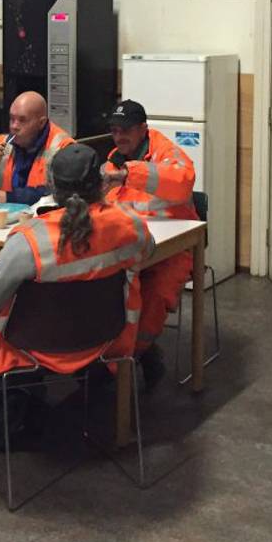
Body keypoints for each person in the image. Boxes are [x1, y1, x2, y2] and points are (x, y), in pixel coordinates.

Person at [0, 144, 155, 447]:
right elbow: (147, 250)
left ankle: (9, 418)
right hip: (106, 339)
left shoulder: (29, 240)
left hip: (33, 347)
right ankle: (44, 399)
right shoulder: (130, 226)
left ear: (52, 187)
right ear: (102, 184)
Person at [102, 99, 197, 385]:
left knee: (154, 295)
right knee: (98, 288)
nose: (120, 137)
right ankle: (106, 360)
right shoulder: (114, 158)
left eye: (126, 130)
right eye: (115, 130)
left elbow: (183, 180)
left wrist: (129, 174)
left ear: (143, 128)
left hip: (172, 249)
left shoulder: (165, 152)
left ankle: (133, 357)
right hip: (128, 247)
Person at [0, 91, 74, 206]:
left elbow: (60, 194)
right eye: (12, 119)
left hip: (43, 219)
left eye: (22, 120)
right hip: (5, 219)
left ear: (41, 123)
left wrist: (9, 197)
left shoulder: (62, 148)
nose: (14, 126)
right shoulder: (4, 144)